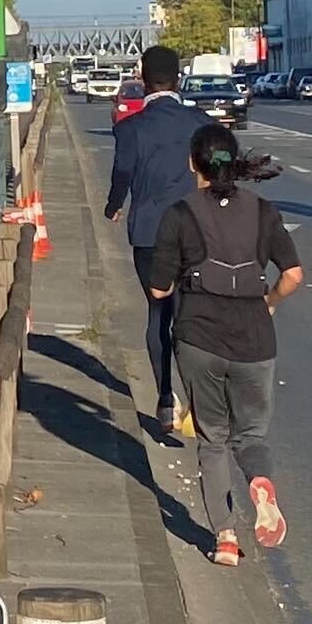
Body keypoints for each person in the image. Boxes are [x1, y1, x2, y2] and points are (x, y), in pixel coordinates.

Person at [155, 115, 302, 565]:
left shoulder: (179, 214)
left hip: (199, 337)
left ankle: (224, 537)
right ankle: (259, 480)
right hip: (255, 339)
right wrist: (269, 303)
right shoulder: (263, 211)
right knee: (250, 435)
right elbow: (293, 276)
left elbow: (159, 290)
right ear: (234, 163)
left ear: (192, 164)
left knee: (213, 440)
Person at [103, 44, 209, 434]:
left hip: (149, 234)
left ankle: (165, 399)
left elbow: (122, 173)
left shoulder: (130, 127)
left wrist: (114, 206)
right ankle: (199, 402)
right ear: (179, 78)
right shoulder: (200, 123)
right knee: (193, 317)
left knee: (158, 314)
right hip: (196, 233)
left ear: (143, 80)